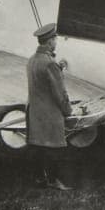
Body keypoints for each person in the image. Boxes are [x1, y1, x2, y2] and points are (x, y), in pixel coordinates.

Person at [26, 22, 74, 191]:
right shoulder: (49, 63)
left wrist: (58, 68)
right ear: (49, 41)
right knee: (54, 148)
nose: (56, 42)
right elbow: (60, 93)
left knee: (38, 146)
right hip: (49, 113)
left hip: (35, 111)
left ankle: (40, 179)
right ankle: (54, 180)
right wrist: (68, 111)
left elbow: (41, 80)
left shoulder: (32, 60)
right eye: (55, 39)